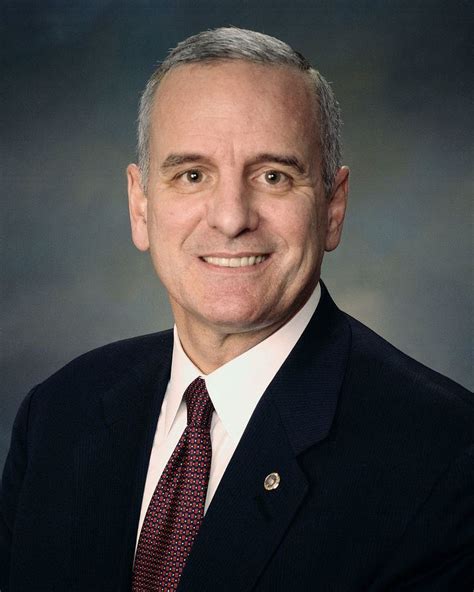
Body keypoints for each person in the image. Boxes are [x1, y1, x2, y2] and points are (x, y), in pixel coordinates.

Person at [1, 27, 472, 592]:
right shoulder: (59, 414)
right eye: (192, 175)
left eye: (273, 176)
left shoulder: (445, 457)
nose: (230, 218)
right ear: (140, 206)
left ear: (333, 207)